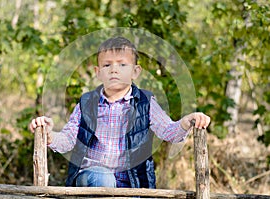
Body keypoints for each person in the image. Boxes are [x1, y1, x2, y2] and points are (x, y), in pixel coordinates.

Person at [29, 36, 210, 188]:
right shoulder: (87, 103)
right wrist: (49, 135)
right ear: (98, 73)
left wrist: (186, 122)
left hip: (134, 182)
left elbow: (168, 131)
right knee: (103, 178)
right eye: (107, 65)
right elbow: (68, 140)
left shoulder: (146, 103)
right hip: (93, 178)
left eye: (122, 65)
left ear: (135, 71)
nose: (114, 70)